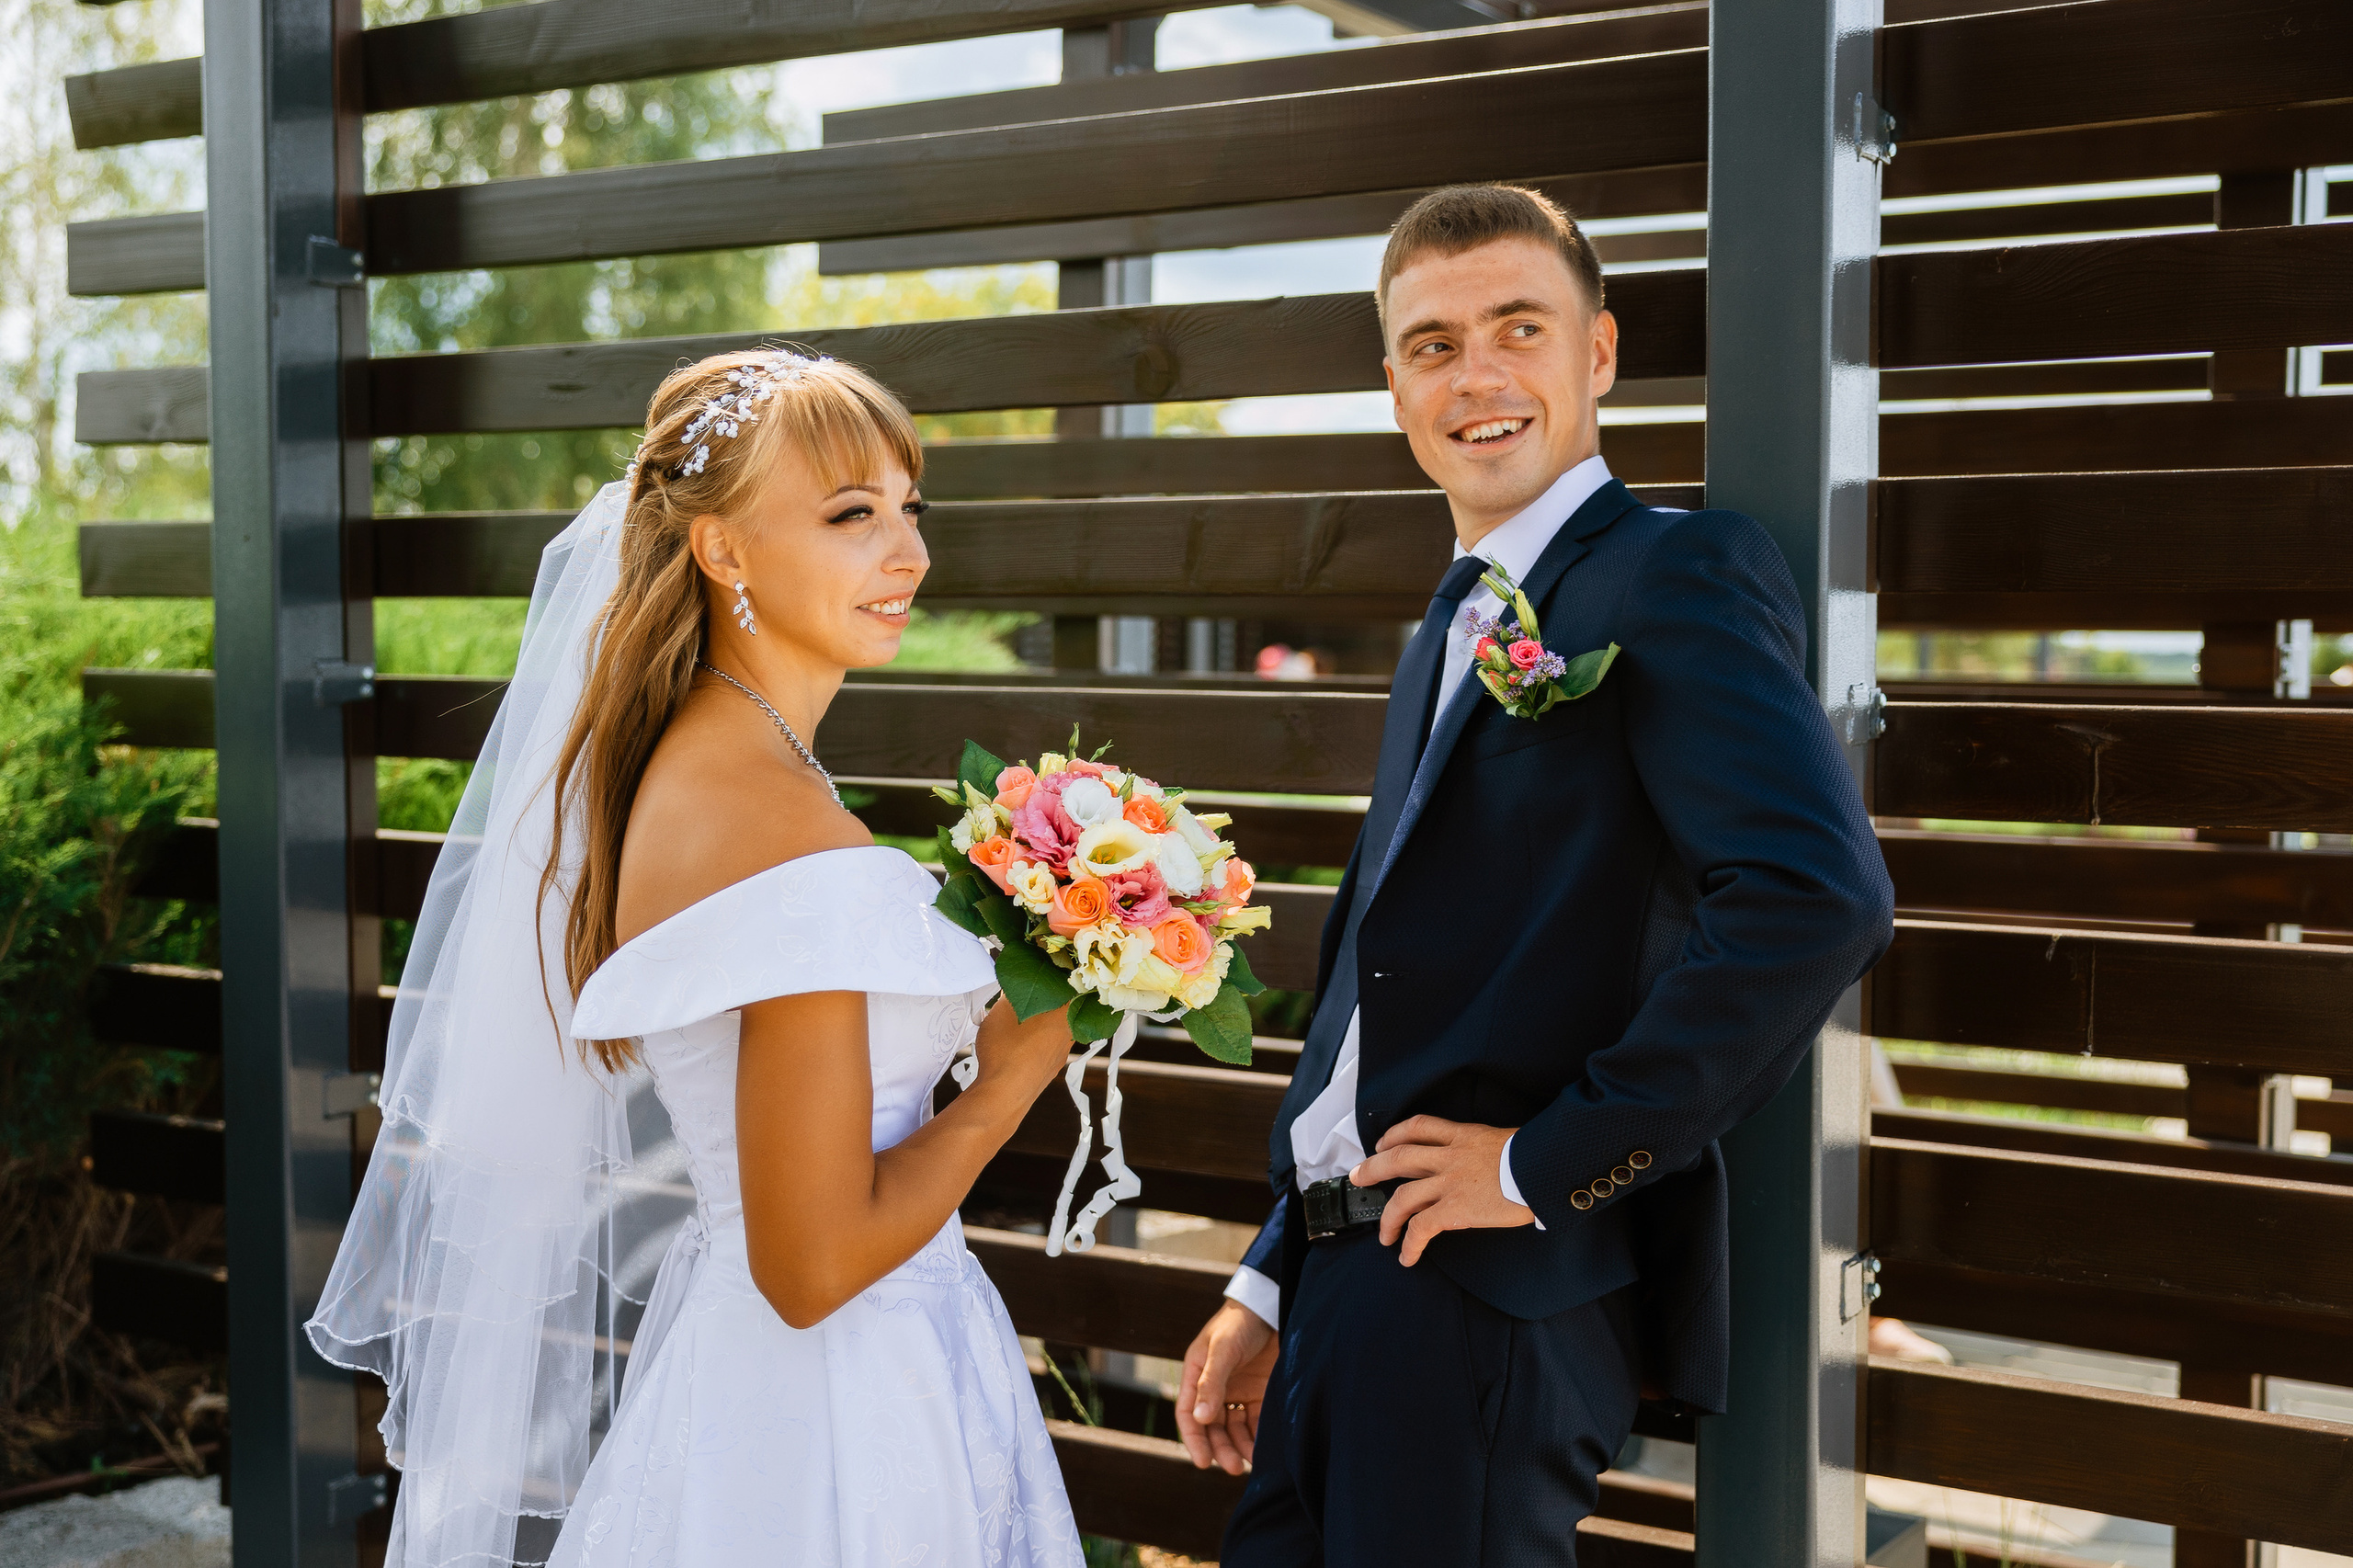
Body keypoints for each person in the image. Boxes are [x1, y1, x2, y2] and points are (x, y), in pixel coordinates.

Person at [1174, 185, 1894, 1564]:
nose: (1480, 375)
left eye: (1520, 327)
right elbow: (1380, 995)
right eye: (1434, 344)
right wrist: (1272, 1274)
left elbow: (1819, 893)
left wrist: (1547, 1160)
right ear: (1395, 388)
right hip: (1348, 1287)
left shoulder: (1673, 574)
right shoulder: (1448, 620)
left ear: (1601, 353)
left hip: (1489, 1299)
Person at [307, 350, 1086, 1567]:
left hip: (802, 1374)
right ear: (723, 551)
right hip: (836, 1406)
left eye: (908, 508)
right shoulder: (766, 816)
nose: (909, 553)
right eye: (851, 515)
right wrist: (1010, 1082)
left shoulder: (734, 764)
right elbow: (811, 1262)